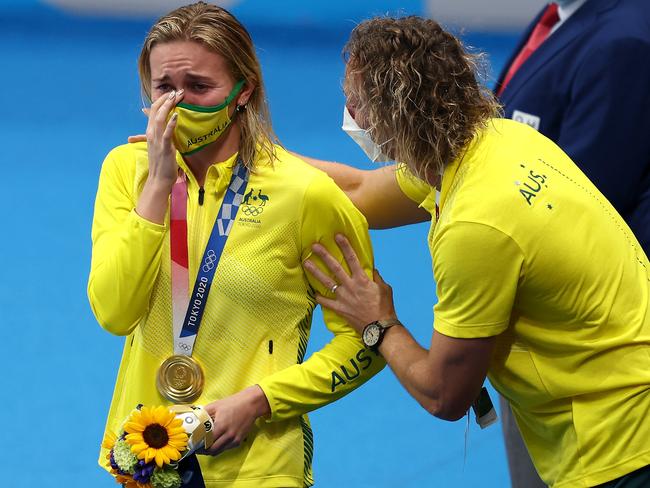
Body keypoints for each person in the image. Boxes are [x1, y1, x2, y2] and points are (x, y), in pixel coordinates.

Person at [299, 15, 650, 488]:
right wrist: (253, 158)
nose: (349, 116)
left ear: (395, 114)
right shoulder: (500, 139)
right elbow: (360, 191)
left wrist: (376, 323)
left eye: (356, 103)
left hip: (618, 448)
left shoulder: (475, 224)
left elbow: (444, 394)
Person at [87, 3, 384, 487]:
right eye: (164, 88)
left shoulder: (305, 195)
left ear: (245, 90)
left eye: (200, 87)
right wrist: (159, 184)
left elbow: (367, 343)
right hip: (146, 452)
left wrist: (260, 401)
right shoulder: (127, 171)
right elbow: (114, 312)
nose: (179, 104)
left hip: (258, 464)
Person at [495, 1, 650, 484]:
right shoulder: (557, 15)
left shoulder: (626, 40)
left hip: (582, 345)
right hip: (541, 333)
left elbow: (588, 196)